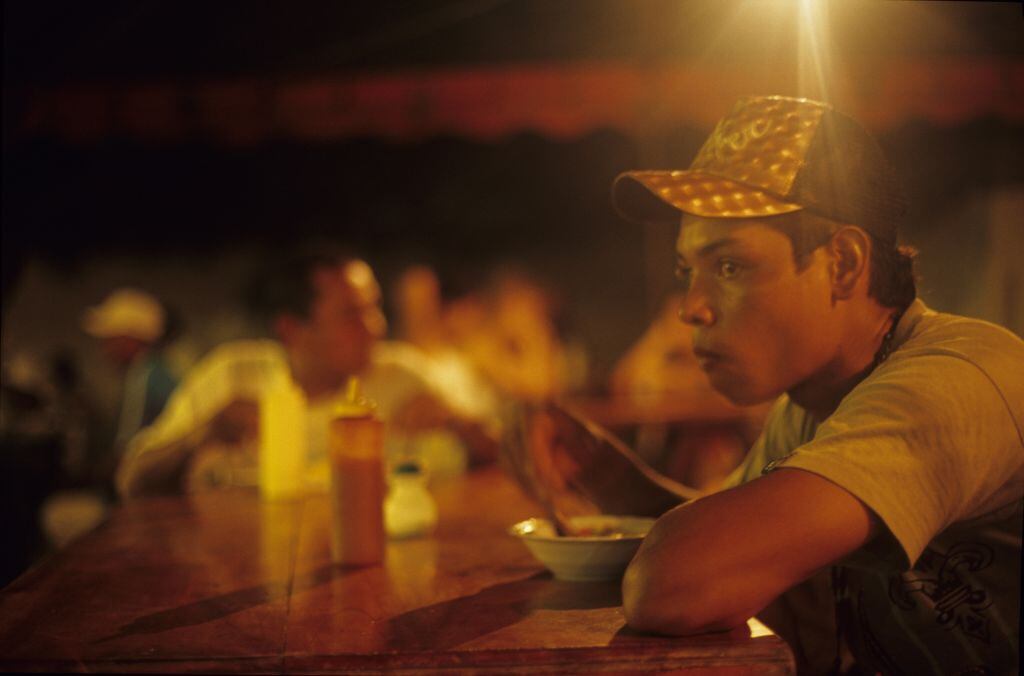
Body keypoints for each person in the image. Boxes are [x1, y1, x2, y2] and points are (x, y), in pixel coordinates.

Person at [605, 96, 1022, 674]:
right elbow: (742, 530)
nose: (692, 308)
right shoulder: (812, 401)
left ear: (843, 264)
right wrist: (600, 475)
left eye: (729, 268)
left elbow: (675, 583)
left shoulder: (955, 380)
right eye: (687, 273)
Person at [116, 253, 495, 498]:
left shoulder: (400, 374)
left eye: (374, 308)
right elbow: (130, 481)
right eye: (352, 315)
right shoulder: (233, 375)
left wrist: (453, 423)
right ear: (292, 329)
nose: (376, 327)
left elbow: (499, 449)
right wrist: (203, 434)